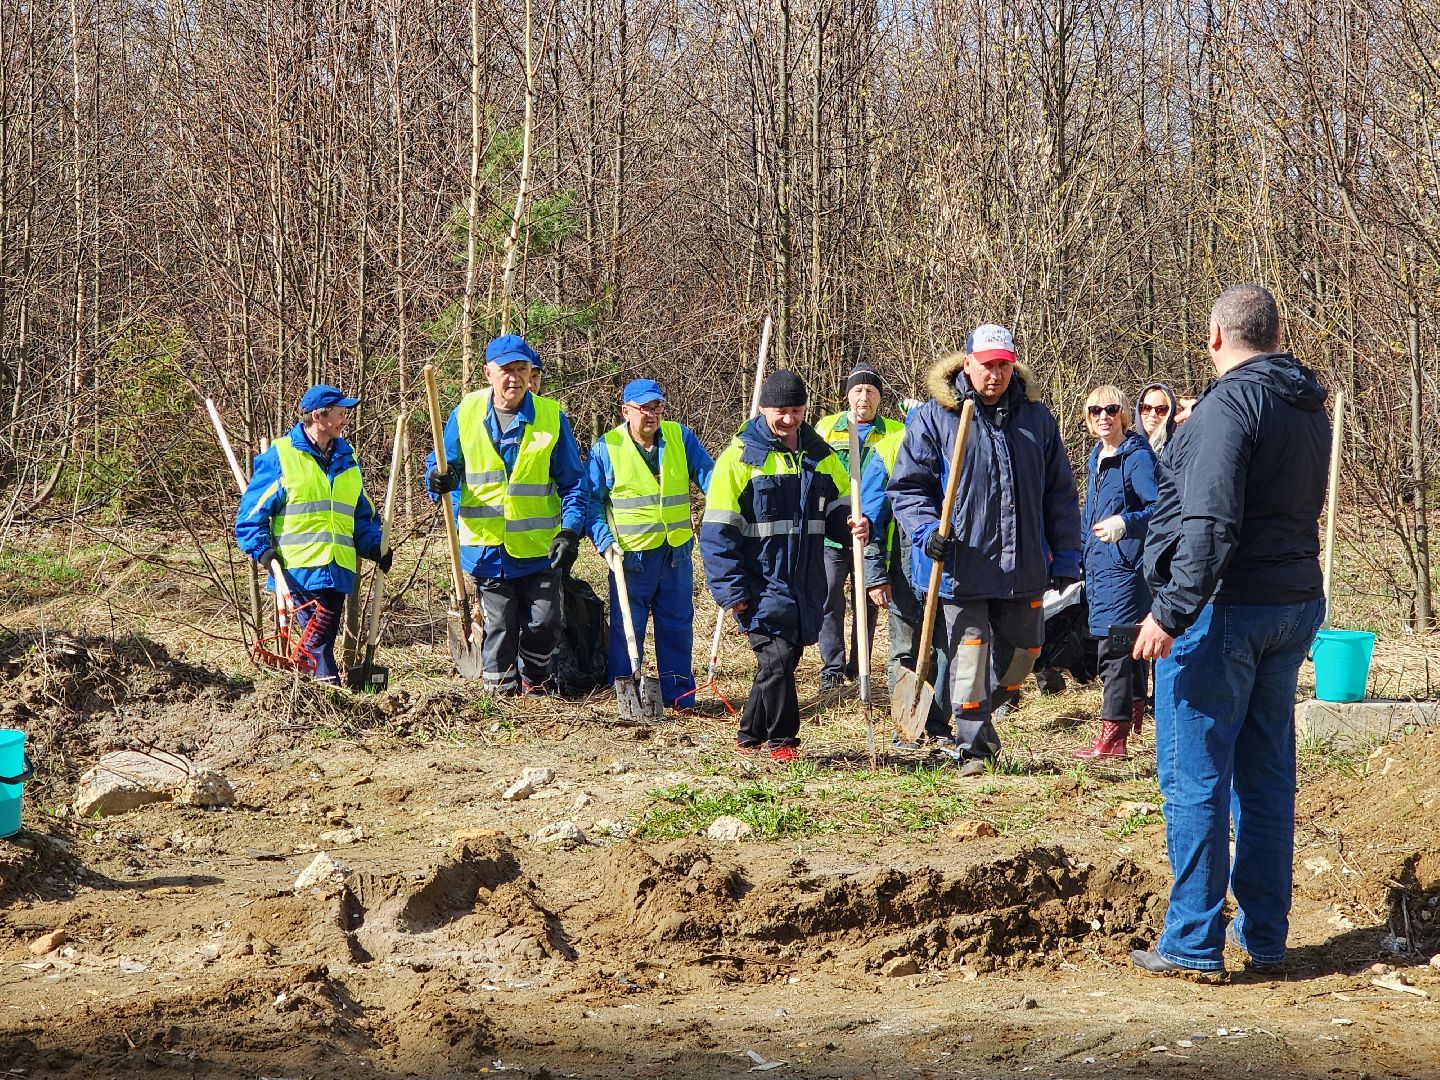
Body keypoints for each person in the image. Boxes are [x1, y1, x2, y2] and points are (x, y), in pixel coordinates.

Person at [1130, 284, 1329, 980]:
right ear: (1276, 333)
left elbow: (1210, 524)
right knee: (1267, 776)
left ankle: (1190, 941)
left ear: (1215, 336)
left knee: (1197, 778)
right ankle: (1266, 938)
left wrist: (1169, 612)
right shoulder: (1308, 404)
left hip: (1226, 611)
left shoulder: (1228, 406)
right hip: (1292, 604)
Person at [889, 324, 1082, 776]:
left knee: (1025, 655)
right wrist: (924, 532)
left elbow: (1059, 493)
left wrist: (1068, 556)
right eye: (986, 365)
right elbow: (908, 489)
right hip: (962, 565)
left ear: (1012, 366)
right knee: (970, 655)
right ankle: (974, 747)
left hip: (1024, 565)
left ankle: (962, 713)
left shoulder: (1036, 418)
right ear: (968, 363)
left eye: (1002, 365)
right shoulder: (936, 417)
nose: (993, 374)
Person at [700, 369, 869, 762]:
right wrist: (731, 591)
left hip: (805, 582)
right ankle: (783, 742)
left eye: (796, 410)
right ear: (763, 408)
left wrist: (858, 526)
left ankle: (750, 732)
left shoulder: (821, 457)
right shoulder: (739, 459)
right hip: (758, 582)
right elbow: (717, 533)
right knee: (775, 660)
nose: (789, 419)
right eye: (781, 411)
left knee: (784, 662)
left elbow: (843, 511)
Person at [425, 334, 588, 696]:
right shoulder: (465, 414)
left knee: (544, 624)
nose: (513, 378)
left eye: (521, 369)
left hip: (539, 547)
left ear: (531, 373)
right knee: (499, 624)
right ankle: (499, 698)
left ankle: (535, 679)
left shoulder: (550, 417)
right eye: (505, 370)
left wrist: (571, 531)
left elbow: (575, 483)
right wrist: (438, 478)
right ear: (488, 373)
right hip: (488, 547)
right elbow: (443, 465)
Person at [236, 384, 388, 683]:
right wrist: (265, 554)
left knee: (323, 642)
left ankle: (311, 700)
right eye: (340, 413)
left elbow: (361, 515)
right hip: (298, 570)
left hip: (338, 568)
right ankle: (330, 699)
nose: (345, 420)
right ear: (319, 416)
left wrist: (374, 546)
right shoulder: (281, 457)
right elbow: (250, 518)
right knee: (317, 646)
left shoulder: (348, 459)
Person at [586, 378, 714, 709]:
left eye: (657, 407)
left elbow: (709, 477)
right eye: (644, 408)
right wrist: (604, 542)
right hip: (630, 558)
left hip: (676, 555)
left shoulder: (680, 437)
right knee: (628, 632)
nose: (652, 415)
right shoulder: (607, 448)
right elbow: (592, 504)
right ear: (626, 411)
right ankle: (626, 696)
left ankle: (679, 697)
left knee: (677, 627)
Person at [1072, 385, 1157, 760]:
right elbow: (1090, 515)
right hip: (1099, 565)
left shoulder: (1136, 458)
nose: (1103, 416)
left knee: (1116, 650)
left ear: (1124, 414)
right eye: (1095, 411)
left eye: (1111, 409)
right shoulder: (1097, 457)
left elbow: (1162, 508)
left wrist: (1127, 523)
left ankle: (1113, 737)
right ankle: (1134, 715)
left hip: (1125, 568)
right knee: (1127, 646)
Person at [860, 416, 952, 751]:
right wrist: (875, 578)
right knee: (904, 652)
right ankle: (905, 728)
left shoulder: (955, 450)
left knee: (946, 650)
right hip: (903, 576)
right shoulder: (888, 453)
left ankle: (939, 725)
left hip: (948, 574)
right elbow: (869, 524)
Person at [812, 363, 899, 692]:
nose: (864, 397)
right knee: (829, 596)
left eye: (871, 391)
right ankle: (831, 668)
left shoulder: (893, 431)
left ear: (879, 396)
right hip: (834, 532)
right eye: (858, 390)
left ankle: (858, 664)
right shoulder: (827, 428)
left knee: (868, 598)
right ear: (848, 394)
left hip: (873, 531)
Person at [1137, 382, 1180, 454]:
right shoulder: (1130, 450)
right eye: (1146, 408)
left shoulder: (1177, 450)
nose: (1152, 414)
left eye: (1161, 409)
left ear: (1170, 413)